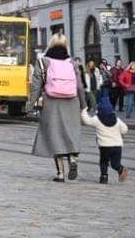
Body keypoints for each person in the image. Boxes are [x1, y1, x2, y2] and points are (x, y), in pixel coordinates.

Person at [29, 34, 88, 183]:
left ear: (50, 44)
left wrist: (29, 105)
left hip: (52, 101)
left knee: (54, 135)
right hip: (72, 101)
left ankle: (60, 174)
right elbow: (80, 86)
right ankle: (73, 159)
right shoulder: (72, 63)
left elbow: (36, 87)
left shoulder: (43, 62)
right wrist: (83, 104)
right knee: (70, 132)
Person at [81, 97, 129, 183]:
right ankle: (120, 168)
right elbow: (125, 129)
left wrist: (84, 110)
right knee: (115, 163)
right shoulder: (116, 119)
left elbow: (87, 121)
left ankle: (104, 177)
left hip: (105, 146)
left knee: (103, 162)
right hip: (117, 146)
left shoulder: (97, 119)